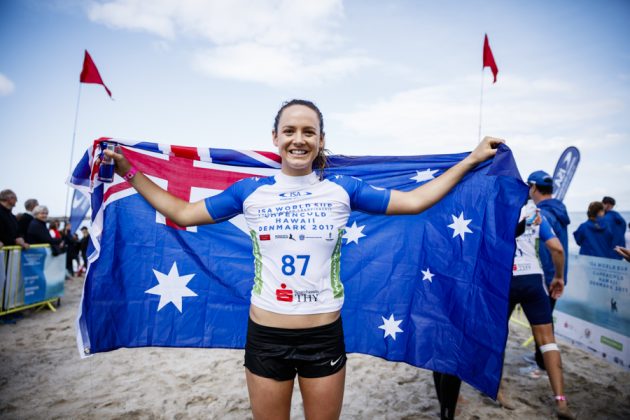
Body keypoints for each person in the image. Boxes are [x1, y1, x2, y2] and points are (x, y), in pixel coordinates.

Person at [103, 99, 501, 419]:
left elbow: (414, 201)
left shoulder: (342, 189)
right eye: (290, 131)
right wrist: (130, 172)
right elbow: (183, 213)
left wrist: (470, 160)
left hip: (323, 338)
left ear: (320, 139)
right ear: (275, 138)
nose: (299, 139)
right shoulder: (249, 192)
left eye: (308, 131)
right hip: (266, 338)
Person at [503, 203, 575, 419]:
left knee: (496, 338)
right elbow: (557, 249)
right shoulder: (535, 213)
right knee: (547, 341)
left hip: (504, 278)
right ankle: (561, 400)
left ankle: (497, 391)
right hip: (533, 278)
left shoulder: (499, 206)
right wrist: (559, 277)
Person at [526, 171, 570, 370]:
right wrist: (560, 275)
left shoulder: (542, 214)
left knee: (543, 327)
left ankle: (542, 366)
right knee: (544, 323)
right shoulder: (559, 210)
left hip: (545, 277)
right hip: (557, 274)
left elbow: (552, 248)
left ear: (533, 187)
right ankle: (541, 363)